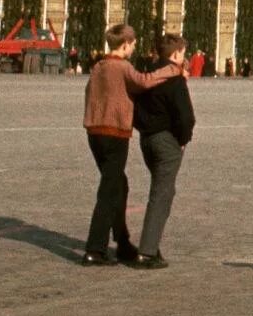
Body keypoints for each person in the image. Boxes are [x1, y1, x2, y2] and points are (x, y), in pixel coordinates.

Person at [80, 23, 182, 265]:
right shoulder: (122, 67)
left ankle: (123, 241)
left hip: (94, 132)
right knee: (109, 190)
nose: (134, 48)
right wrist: (172, 70)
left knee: (119, 185)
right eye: (133, 44)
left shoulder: (98, 67)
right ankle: (95, 249)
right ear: (125, 44)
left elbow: (89, 94)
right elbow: (145, 81)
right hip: (114, 133)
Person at [132, 32, 198, 269]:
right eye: (183, 53)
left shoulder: (147, 74)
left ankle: (152, 245)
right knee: (161, 194)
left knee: (163, 192)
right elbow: (186, 117)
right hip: (166, 141)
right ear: (176, 53)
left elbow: (135, 108)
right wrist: (182, 140)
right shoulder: (174, 78)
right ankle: (147, 251)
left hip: (146, 139)